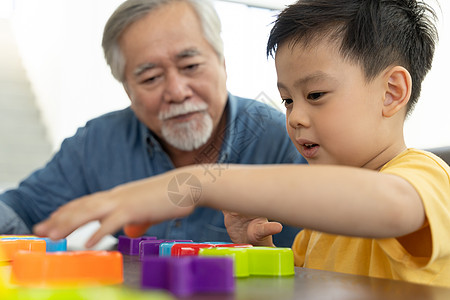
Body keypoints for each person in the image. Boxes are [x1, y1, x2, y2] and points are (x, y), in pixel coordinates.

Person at [34, 0, 450, 287]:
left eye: (316, 95)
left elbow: (389, 205)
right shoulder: (314, 236)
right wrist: (261, 255)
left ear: (392, 92)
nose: (296, 117)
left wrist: (202, 182)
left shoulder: (424, 177)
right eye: (287, 99)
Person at [0, 0, 307, 247]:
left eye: (190, 66)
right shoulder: (98, 142)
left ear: (223, 64)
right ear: (127, 90)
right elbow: (21, 211)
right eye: (150, 78)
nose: (176, 91)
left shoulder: (282, 138)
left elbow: (319, 266)